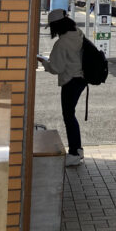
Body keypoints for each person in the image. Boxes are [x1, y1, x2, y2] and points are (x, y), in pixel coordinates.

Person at [37, 9, 87, 166]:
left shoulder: (62, 43)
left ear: (56, 26)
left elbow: (56, 68)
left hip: (70, 81)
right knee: (71, 115)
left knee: (69, 116)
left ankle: (74, 153)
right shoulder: (78, 33)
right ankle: (77, 149)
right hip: (82, 79)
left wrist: (43, 61)